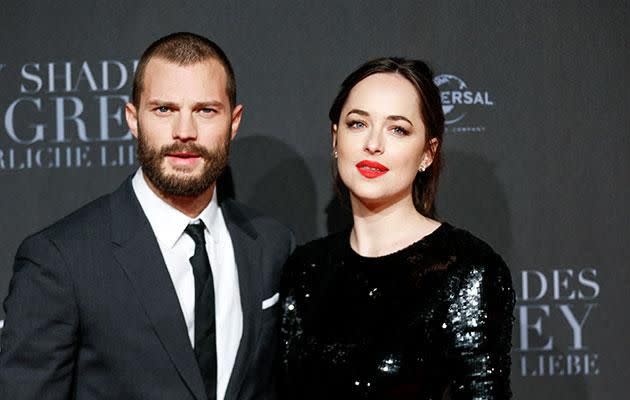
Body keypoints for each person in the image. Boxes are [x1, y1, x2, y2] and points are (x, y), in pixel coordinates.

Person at [0, 32, 293, 400]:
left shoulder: (270, 244)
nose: (184, 132)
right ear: (132, 118)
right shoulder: (60, 260)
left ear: (233, 122)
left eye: (205, 110)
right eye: (164, 109)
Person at [280, 58, 515, 399]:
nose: (373, 143)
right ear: (336, 138)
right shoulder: (306, 269)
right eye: (357, 124)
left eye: (398, 129)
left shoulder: (465, 270)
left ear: (427, 153)